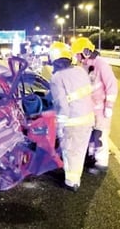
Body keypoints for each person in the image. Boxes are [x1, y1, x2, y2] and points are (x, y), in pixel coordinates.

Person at [48, 41, 95, 192]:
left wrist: (60, 127)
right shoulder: (80, 71)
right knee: (79, 151)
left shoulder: (57, 78)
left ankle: (71, 182)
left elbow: (62, 104)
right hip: (88, 119)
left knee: (70, 152)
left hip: (72, 122)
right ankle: (75, 177)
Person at [71, 37, 118, 175]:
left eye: (78, 54)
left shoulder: (101, 64)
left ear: (85, 52)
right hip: (90, 109)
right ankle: (91, 157)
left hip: (101, 110)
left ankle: (101, 164)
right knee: (91, 135)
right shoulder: (85, 66)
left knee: (99, 136)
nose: (77, 57)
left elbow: (112, 85)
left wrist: (109, 106)